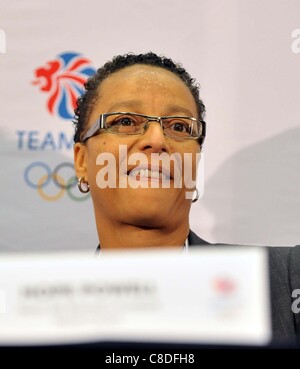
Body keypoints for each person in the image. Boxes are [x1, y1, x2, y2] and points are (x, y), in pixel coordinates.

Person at [73, 52, 300, 344]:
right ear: (82, 162)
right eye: (126, 120)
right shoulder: (35, 312)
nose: (156, 140)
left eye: (179, 127)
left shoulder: (286, 280)